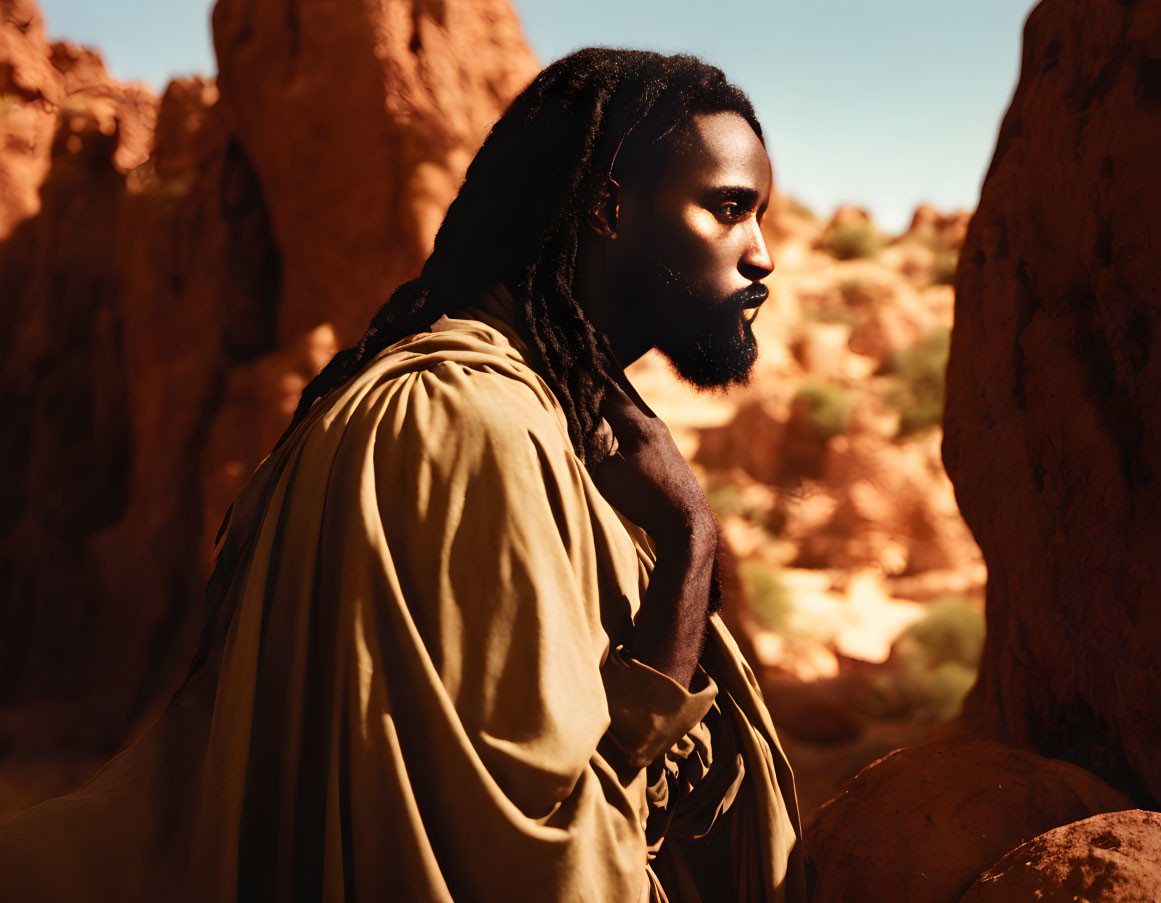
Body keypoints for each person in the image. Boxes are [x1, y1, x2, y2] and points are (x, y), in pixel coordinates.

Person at [0, 48, 806, 902]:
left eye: (760, 216)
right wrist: (687, 541)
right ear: (608, 206)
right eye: (726, 210)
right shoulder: (469, 422)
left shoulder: (532, 412)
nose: (759, 255)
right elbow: (541, 855)